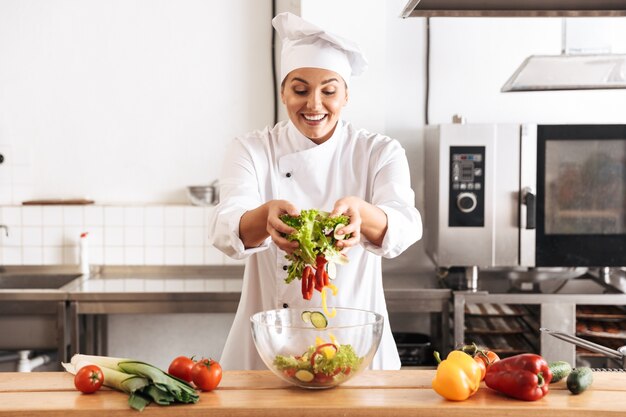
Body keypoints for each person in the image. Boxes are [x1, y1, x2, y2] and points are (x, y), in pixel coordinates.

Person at [208, 12, 422, 371]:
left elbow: (406, 225)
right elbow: (224, 226)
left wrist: (361, 214)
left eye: (329, 90)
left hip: (356, 346)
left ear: (346, 95)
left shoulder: (379, 151)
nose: (314, 105)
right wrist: (265, 218)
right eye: (300, 89)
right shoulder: (252, 150)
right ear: (283, 91)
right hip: (268, 346)